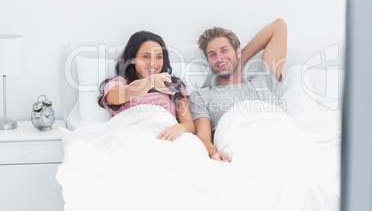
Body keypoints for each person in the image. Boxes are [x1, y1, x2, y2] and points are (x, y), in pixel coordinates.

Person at [189, 18, 287, 161]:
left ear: (238, 52)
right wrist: (213, 153)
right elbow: (203, 137)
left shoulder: (264, 81)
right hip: (241, 147)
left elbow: (279, 26)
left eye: (224, 50)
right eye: (212, 54)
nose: (219, 58)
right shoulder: (202, 96)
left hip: (280, 137)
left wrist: (239, 62)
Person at [98, 31, 195, 141]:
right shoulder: (117, 83)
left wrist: (179, 128)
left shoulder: (174, 85)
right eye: (146, 56)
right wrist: (151, 81)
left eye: (159, 57)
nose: (153, 63)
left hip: (165, 138)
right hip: (130, 137)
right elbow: (127, 92)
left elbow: (189, 125)